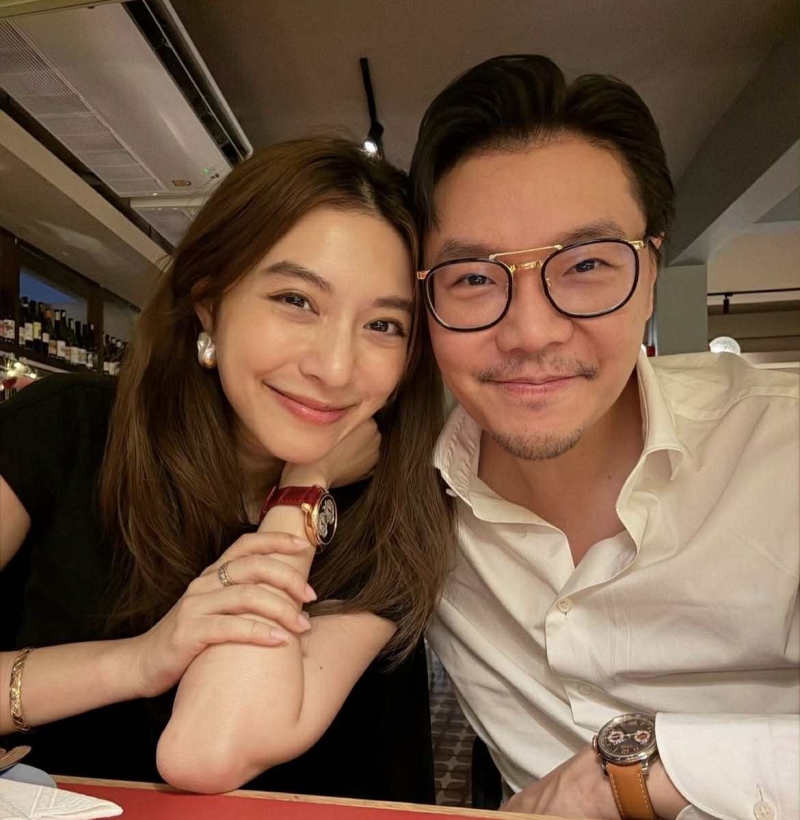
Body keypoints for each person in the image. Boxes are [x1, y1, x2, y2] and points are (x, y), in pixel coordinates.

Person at [0, 137, 453, 800]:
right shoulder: (66, 429)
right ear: (209, 301)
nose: (335, 368)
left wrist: (303, 488)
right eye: (296, 300)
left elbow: (207, 751)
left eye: (384, 325)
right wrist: (138, 660)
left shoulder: (393, 510)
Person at [409, 55, 799, 820]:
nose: (531, 332)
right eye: (474, 278)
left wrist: (636, 773)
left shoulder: (781, 447)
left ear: (651, 274)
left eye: (586, 264)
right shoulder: (408, 499)